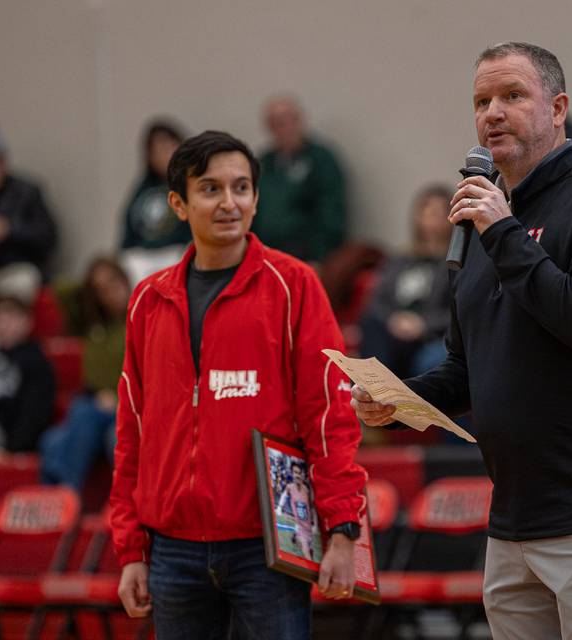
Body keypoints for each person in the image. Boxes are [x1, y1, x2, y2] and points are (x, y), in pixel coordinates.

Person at [352, 42, 572, 640]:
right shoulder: (483, 224)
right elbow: (465, 368)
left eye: (512, 96)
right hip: (513, 521)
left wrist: (503, 232)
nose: (492, 112)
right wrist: (396, 400)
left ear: (557, 109)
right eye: (481, 101)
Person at [110, 130, 366, 639]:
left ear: (255, 198)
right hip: (171, 550)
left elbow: (328, 415)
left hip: (266, 548)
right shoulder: (147, 300)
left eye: (242, 187)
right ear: (178, 204)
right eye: (210, 189)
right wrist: (131, 550)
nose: (230, 202)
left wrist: (343, 530)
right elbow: (132, 432)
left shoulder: (294, 286)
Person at [40, 257, 130, 490]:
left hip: (127, 407)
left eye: (113, 282)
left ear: (125, 279)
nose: (110, 292)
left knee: (87, 417)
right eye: (100, 289)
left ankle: (69, 493)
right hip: (94, 402)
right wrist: (90, 285)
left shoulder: (142, 315)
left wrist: (119, 400)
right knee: (51, 441)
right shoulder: (92, 324)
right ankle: (60, 506)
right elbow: (60, 291)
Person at [359, 184, 453, 379]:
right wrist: (394, 320)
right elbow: (377, 301)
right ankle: (374, 391)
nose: (431, 220)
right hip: (393, 331)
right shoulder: (400, 260)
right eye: (426, 213)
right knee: (371, 324)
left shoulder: (456, 263)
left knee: (431, 358)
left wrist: (422, 324)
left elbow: (458, 312)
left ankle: (383, 393)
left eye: (437, 213)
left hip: (429, 336)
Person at [251, 96, 347, 265]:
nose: (284, 128)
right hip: (264, 253)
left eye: (289, 120)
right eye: (276, 123)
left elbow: (331, 210)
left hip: (306, 255)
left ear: (300, 121)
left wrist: (319, 255)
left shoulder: (320, 159)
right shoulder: (265, 162)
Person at [119, 119, 191, 284]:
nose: (164, 154)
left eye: (168, 147)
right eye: (156, 150)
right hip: (143, 257)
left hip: (179, 251)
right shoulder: (143, 189)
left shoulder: (193, 184)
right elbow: (129, 226)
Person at [0, 129, 58, 283]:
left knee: (22, 280)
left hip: (18, 268)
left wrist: (9, 229)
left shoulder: (27, 192)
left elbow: (47, 237)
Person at [0, 292, 55, 453]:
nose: (4, 325)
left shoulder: (35, 361)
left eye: (10, 319)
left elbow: (33, 414)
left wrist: (11, 449)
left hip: (11, 445)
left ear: (27, 322)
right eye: (0, 319)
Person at [277, 462, 316, 561]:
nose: (297, 475)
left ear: (303, 474)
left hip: (309, 529)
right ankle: (297, 536)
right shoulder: (290, 487)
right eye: (295, 472)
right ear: (292, 473)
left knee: (311, 553)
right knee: (307, 554)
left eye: (299, 473)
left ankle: (296, 538)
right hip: (300, 527)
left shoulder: (307, 490)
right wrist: (279, 507)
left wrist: (314, 524)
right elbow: (284, 496)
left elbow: (312, 507)